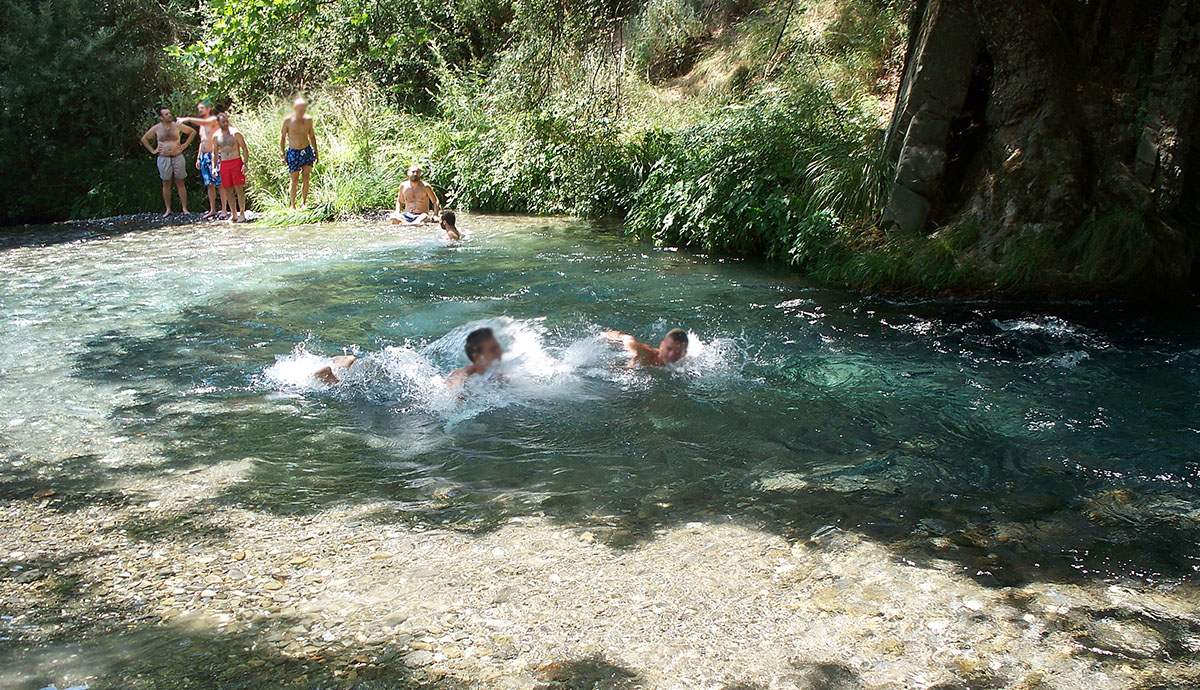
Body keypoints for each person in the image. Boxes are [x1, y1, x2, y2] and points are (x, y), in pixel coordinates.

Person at [140, 107, 196, 217]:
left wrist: (185, 144)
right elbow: (144, 139)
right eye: (166, 114)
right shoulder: (157, 128)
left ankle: (184, 208)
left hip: (177, 156)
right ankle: (168, 209)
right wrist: (153, 150)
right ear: (161, 117)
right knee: (166, 183)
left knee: (180, 182)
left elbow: (192, 132)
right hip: (163, 157)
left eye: (169, 113)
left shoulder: (177, 125)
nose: (169, 115)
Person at [179, 100, 223, 218]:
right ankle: (212, 209)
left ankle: (224, 210)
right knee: (209, 184)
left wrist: (187, 119)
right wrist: (198, 157)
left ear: (208, 108)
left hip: (214, 154)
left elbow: (204, 122)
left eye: (202, 108)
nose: (200, 111)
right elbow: (202, 141)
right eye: (199, 109)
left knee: (220, 183)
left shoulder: (212, 120)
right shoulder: (202, 126)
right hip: (204, 156)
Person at [280, 97, 319, 208]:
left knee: (306, 177)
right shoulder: (288, 120)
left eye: (303, 109)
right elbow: (282, 138)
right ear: (295, 108)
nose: (302, 112)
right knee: (294, 179)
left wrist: (316, 152)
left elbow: (312, 136)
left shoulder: (308, 120)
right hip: (293, 152)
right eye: (300, 109)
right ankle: (292, 205)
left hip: (306, 150)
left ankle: (303, 203)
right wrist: (283, 154)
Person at [213, 113, 250, 223]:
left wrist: (245, 163)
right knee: (227, 189)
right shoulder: (216, 136)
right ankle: (233, 213)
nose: (225, 123)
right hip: (224, 163)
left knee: (239, 188)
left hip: (236, 161)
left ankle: (242, 213)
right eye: (223, 122)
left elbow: (244, 148)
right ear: (218, 123)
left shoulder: (235, 133)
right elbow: (214, 153)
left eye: (226, 121)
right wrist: (214, 167)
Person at [603, 328, 689, 367]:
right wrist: (613, 337)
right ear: (662, 345)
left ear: (684, 354)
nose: (671, 355)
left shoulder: (683, 365)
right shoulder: (647, 354)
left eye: (677, 352)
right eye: (669, 349)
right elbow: (630, 341)